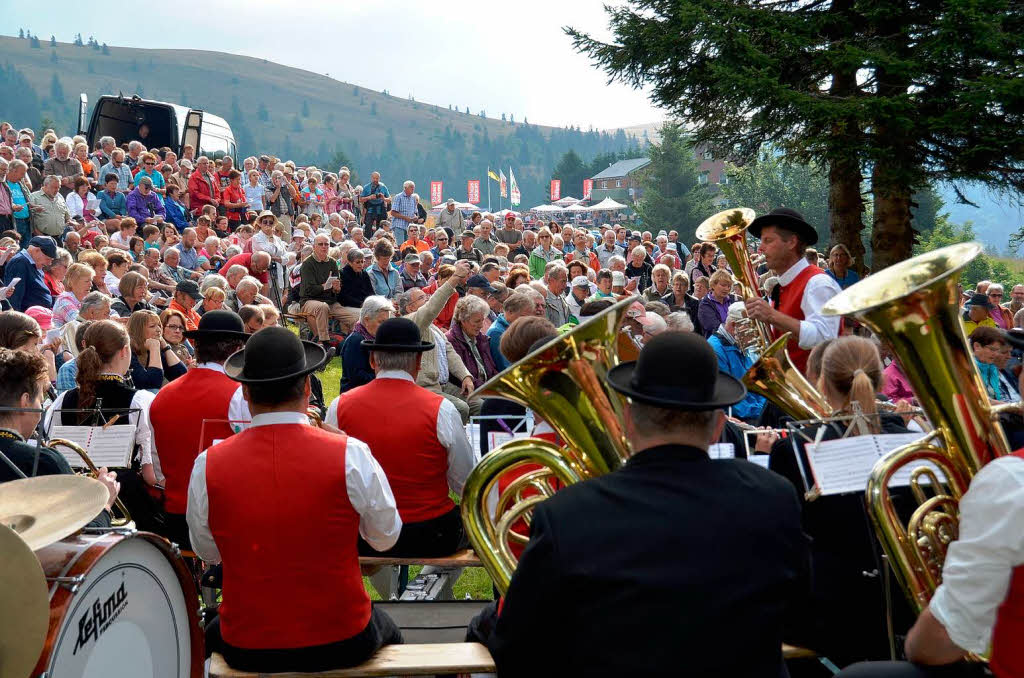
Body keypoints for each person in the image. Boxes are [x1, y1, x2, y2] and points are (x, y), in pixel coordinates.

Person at [484, 331, 810, 675]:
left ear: (627, 421)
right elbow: (801, 613)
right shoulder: (772, 495)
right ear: (717, 427)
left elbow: (517, 647)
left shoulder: (566, 513)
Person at [187, 326, 403, 673]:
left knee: (208, 633)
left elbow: (207, 552)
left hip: (248, 640)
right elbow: (385, 537)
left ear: (244, 391)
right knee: (394, 634)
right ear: (306, 387)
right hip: (341, 635)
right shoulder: (350, 452)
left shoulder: (207, 464)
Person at [767, 336, 917, 666]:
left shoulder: (793, 450)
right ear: (879, 379)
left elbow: (783, 539)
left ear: (821, 382)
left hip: (829, 609)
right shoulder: (916, 445)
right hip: (912, 603)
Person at [327, 317, 476, 558]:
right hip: (431, 533)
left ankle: (393, 591)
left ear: (373, 360)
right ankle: (430, 593)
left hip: (364, 534)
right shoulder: (441, 408)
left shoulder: (339, 406)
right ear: (418, 362)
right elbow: (465, 482)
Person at [45, 321, 164, 531]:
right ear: (124, 351)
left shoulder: (62, 401)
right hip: (124, 501)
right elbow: (150, 474)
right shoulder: (140, 400)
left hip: (72, 503)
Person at [149, 311, 248, 547]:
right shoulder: (240, 394)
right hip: (226, 519)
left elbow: (158, 466)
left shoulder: (163, 395)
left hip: (176, 517)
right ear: (236, 351)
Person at [0, 348, 121, 531]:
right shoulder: (44, 461)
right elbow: (89, 533)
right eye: (40, 400)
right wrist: (103, 502)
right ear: (25, 402)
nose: (40, 409)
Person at [744, 207, 841, 374]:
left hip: (814, 392)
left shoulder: (817, 283)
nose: (760, 248)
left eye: (768, 240)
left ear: (791, 242)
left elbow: (826, 338)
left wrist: (771, 316)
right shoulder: (784, 285)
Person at [707, 302, 766, 423]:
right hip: (738, 417)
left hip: (752, 409)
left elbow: (754, 382)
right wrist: (760, 410)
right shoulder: (715, 349)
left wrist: (765, 405)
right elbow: (729, 397)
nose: (753, 336)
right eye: (750, 331)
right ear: (734, 326)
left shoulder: (740, 343)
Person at [299, 234, 348, 356]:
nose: (324, 247)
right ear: (314, 246)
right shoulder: (307, 263)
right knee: (322, 307)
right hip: (309, 300)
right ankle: (324, 344)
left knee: (355, 315)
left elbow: (336, 288)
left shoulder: (332, 262)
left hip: (329, 301)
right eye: (320, 244)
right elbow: (309, 290)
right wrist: (325, 286)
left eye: (326, 244)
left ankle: (353, 345)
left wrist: (336, 288)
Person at [127, 309, 187, 391]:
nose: (159, 330)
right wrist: (154, 349)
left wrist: (165, 347)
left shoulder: (155, 347)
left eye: (159, 325)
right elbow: (152, 385)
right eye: (152, 326)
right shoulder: (127, 350)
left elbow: (181, 376)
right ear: (138, 330)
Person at [4, 235, 55, 312]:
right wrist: (16, 322)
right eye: (47, 259)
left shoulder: (32, 263)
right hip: (26, 319)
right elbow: (15, 298)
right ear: (36, 250)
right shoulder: (20, 262)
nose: (50, 263)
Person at [698, 269, 738, 338]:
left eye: (729, 286)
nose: (726, 289)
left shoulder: (734, 299)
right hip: (717, 343)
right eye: (723, 285)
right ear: (713, 285)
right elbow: (714, 327)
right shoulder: (705, 304)